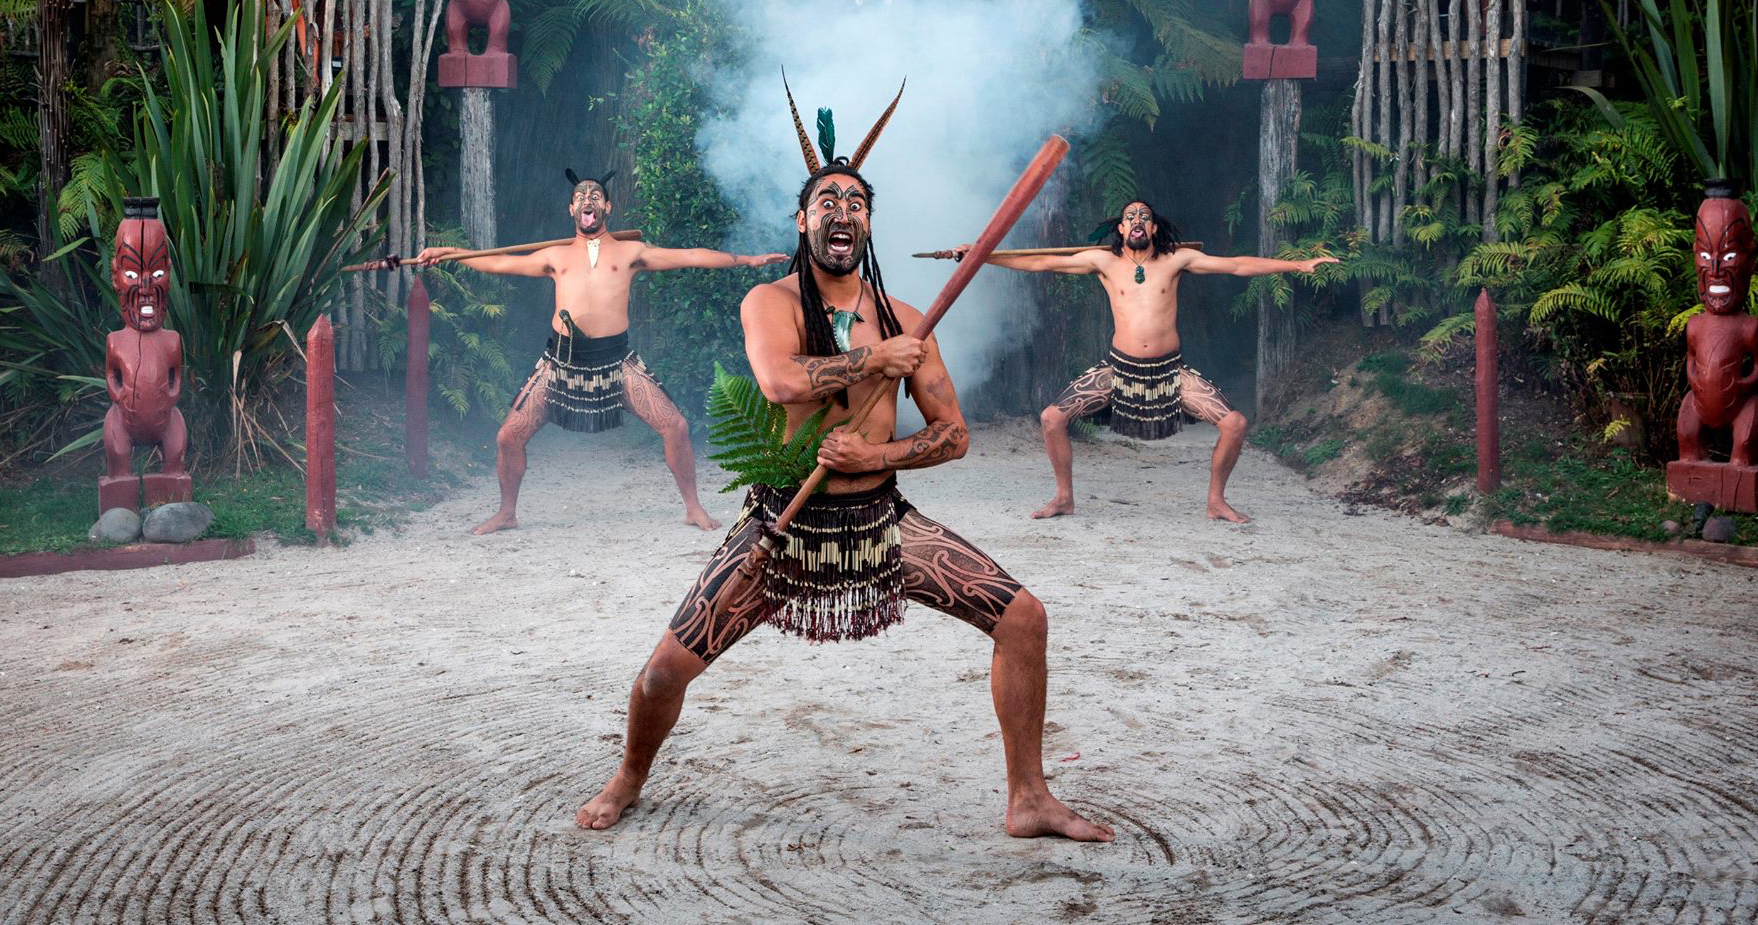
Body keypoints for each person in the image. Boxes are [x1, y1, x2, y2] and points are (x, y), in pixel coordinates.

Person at [575, 87, 1113, 842]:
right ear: (802, 221)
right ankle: (629, 776)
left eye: (855, 202)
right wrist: (873, 360)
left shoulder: (906, 318)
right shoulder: (770, 301)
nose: (841, 211)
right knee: (663, 673)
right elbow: (780, 381)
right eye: (826, 200)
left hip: (878, 522)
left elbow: (953, 434)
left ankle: (1028, 796)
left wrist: (877, 452)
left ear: (868, 223)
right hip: (782, 527)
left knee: (1022, 618)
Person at [416, 171, 787, 534]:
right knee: (507, 437)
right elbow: (497, 263)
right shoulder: (555, 257)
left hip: (615, 361)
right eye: (580, 196)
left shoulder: (630, 252)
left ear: (607, 206)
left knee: (675, 426)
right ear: (571, 210)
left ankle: (692, 507)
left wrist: (745, 260)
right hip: (561, 362)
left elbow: (689, 255)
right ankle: (507, 512)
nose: (587, 199)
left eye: (595, 195)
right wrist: (448, 254)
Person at [966, 200, 1337, 523]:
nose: (1138, 220)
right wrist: (978, 255)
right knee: (1052, 418)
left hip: (1167, 373)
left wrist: (1299, 265)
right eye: (1131, 216)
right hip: (1120, 371)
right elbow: (1040, 264)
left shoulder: (1176, 259)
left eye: (1144, 216)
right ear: (1121, 227)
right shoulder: (1103, 261)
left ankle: (1216, 501)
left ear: (1154, 227)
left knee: (1235, 424)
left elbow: (1237, 265)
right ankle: (1064, 498)